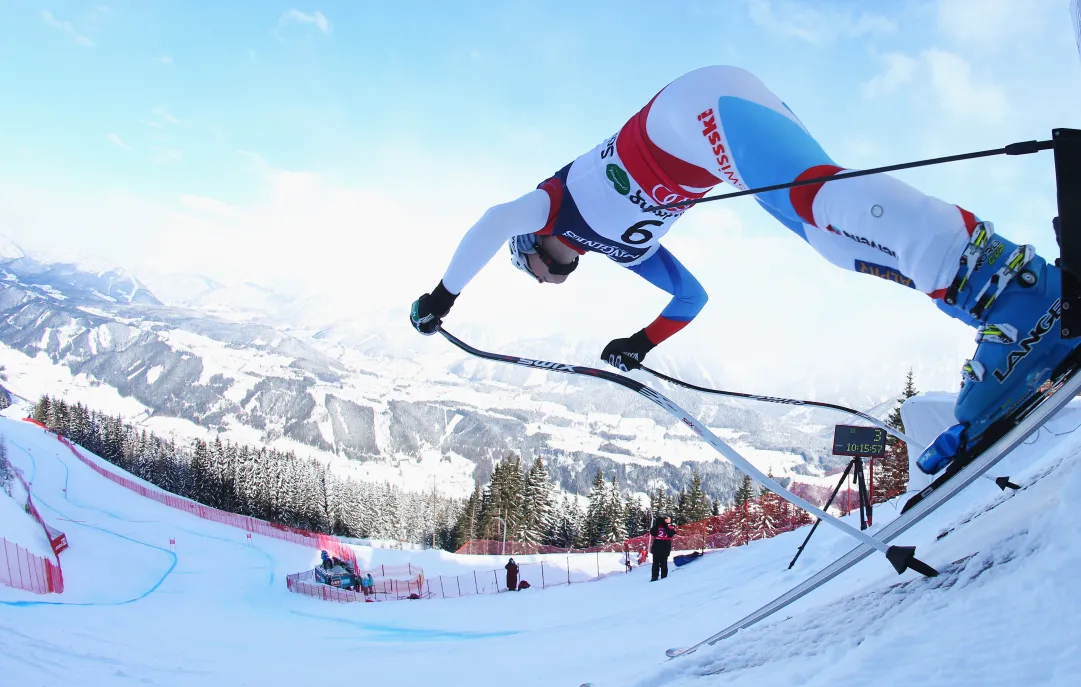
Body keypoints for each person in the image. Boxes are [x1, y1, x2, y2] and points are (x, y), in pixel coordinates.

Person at [410, 64, 1077, 471]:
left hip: (694, 109)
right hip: (714, 134)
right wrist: (640, 342)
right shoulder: (623, 249)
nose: (548, 279)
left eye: (535, 272)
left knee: (815, 201)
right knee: (828, 237)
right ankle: (1003, 304)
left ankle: (1019, 295)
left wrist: (441, 297)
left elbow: (495, 217)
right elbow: (690, 297)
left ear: (532, 246)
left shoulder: (551, 203)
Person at [650, 517, 676, 582]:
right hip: (658, 546)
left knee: (663, 563)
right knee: (656, 563)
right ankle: (654, 577)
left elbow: (670, 534)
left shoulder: (669, 528)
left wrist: (666, 527)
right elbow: (653, 533)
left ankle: (664, 577)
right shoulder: (656, 527)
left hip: (665, 547)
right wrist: (657, 525)